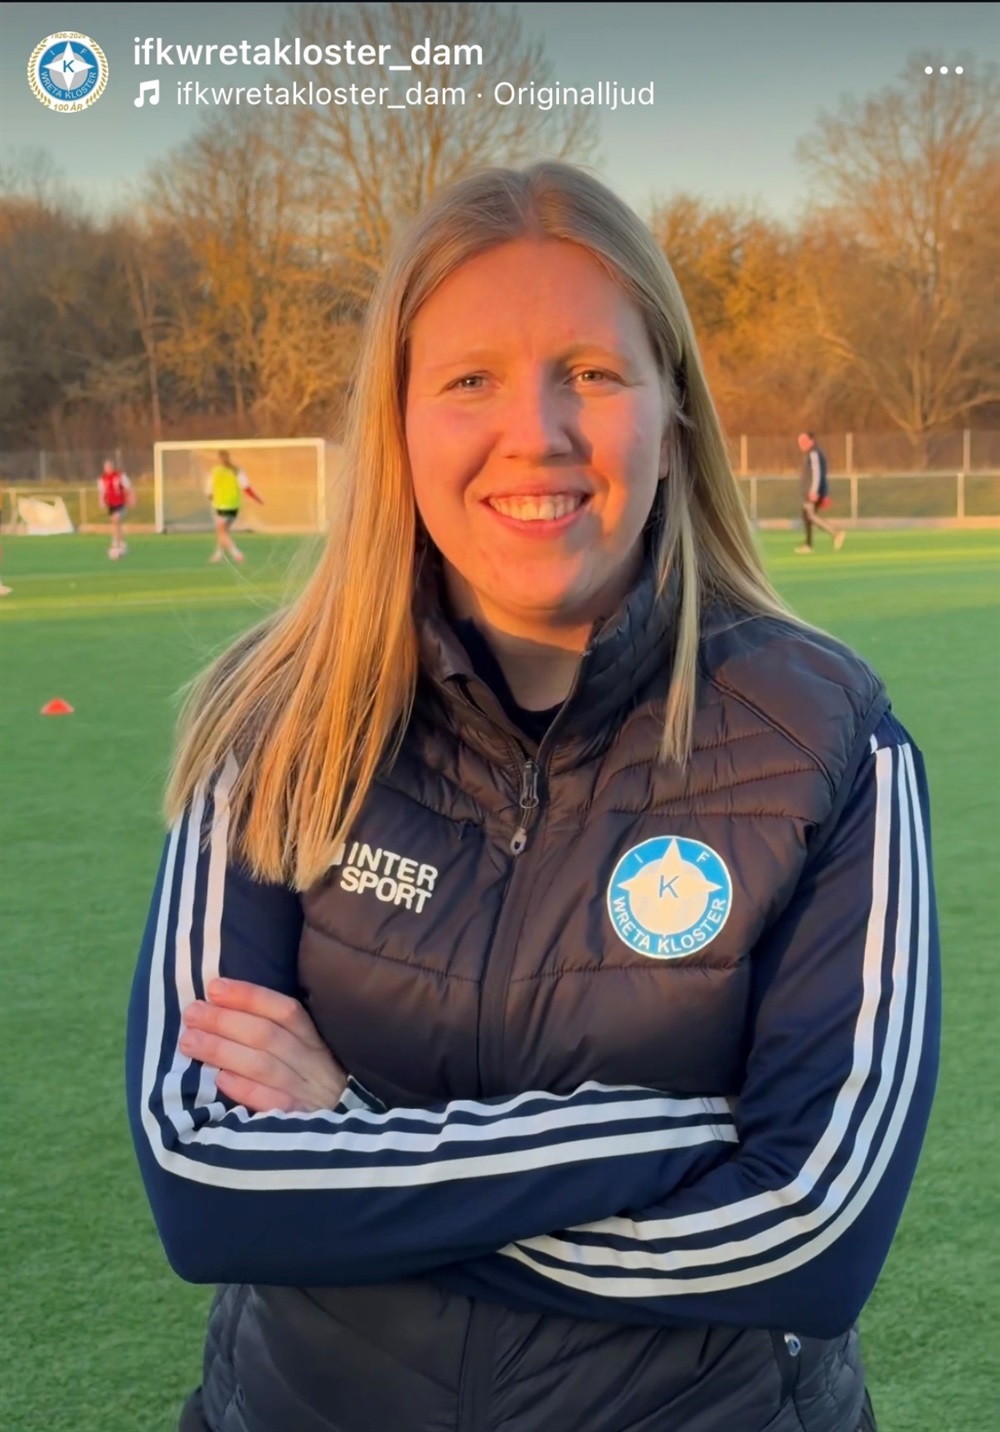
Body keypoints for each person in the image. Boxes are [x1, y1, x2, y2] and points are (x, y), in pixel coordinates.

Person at [127, 165, 939, 1432]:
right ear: (398, 423)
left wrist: (347, 1133)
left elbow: (808, 1239)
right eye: (470, 380)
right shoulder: (276, 721)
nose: (537, 432)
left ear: (674, 412)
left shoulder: (827, 740)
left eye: (594, 373)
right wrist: (666, 1135)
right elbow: (204, 1181)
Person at [206, 450, 263, 563]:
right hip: (233, 505)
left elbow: (209, 490)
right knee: (223, 530)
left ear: (219, 459)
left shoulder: (216, 471)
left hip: (221, 506)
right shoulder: (237, 471)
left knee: (222, 531)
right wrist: (256, 498)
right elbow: (246, 488)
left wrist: (211, 497)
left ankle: (236, 553)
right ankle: (219, 553)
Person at [796, 432, 845, 553]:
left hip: (813, 492)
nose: (801, 444)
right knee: (807, 516)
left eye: (804, 441)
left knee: (810, 516)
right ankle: (808, 545)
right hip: (810, 492)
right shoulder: (811, 454)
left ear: (811, 441)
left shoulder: (814, 454)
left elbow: (817, 473)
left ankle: (835, 533)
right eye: (800, 442)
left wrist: (814, 491)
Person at [97, 458, 134, 558]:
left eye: (110, 466)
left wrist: (131, 498)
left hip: (120, 503)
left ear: (112, 467)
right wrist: (101, 501)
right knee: (116, 524)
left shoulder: (120, 476)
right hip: (111, 505)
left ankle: (118, 543)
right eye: (106, 467)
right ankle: (119, 541)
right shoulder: (102, 479)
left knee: (116, 519)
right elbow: (102, 492)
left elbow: (128, 487)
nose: (108, 468)